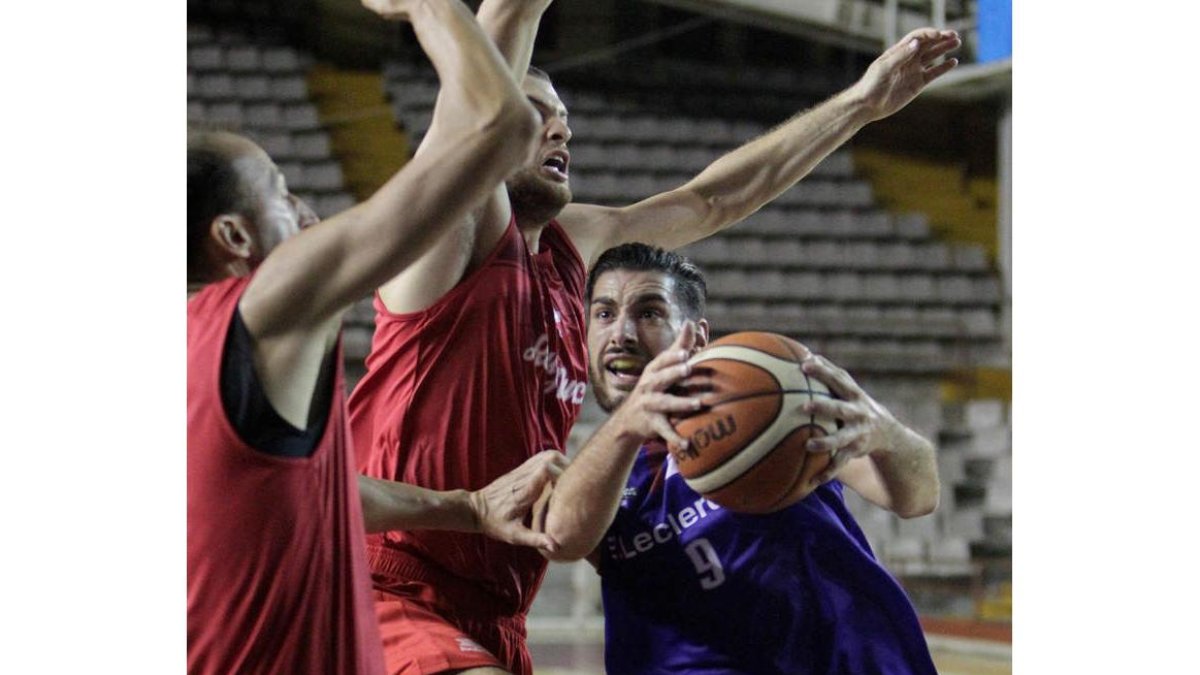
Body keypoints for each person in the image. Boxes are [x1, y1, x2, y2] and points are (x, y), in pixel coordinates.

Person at [347, 0, 960, 670]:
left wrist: (861, 104)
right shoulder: (448, 238)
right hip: (395, 578)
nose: (557, 128)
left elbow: (713, 201)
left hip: (496, 605)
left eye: (564, 120)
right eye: (534, 110)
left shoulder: (568, 251)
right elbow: (478, 112)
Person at [185, 1, 564, 673]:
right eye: (278, 191)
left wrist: (468, 507)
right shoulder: (267, 306)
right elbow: (500, 127)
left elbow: (322, 492)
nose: (306, 208)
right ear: (234, 237)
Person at [536, 242, 941, 674]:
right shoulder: (599, 472)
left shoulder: (771, 410)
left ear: (697, 338)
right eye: (604, 314)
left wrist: (886, 434)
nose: (621, 333)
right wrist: (629, 424)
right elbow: (563, 539)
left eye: (649, 312)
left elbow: (916, 498)